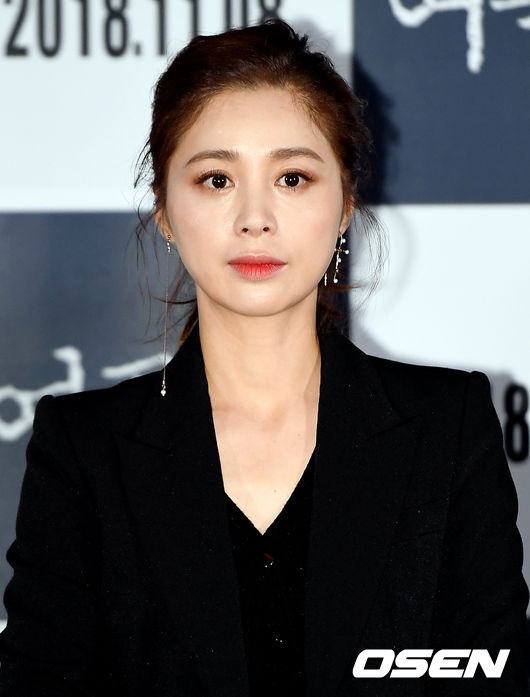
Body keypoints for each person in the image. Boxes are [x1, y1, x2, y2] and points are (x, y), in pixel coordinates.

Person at [0, 18, 528, 697]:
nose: (255, 217)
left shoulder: (448, 429)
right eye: (217, 179)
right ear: (164, 209)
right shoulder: (84, 450)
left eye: (293, 177)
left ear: (346, 204)